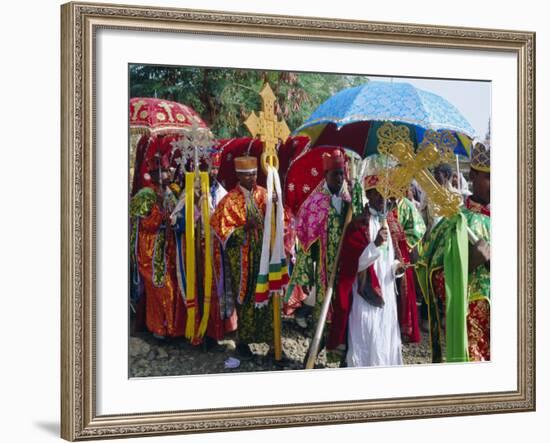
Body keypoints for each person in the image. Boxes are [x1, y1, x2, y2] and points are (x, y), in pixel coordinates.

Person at [416, 142, 491, 362]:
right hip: (471, 321)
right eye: (489, 177)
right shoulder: (455, 221)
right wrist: (469, 262)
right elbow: (435, 277)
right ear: (474, 175)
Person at [328, 168, 406, 367]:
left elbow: (394, 258)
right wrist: (375, 245)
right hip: (365, 295)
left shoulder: (392, 223)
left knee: (386, 337)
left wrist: (397, 266)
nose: (382, 199)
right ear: (368, 195)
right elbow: (351, 266)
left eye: (386, 194)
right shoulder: (357, 226)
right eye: (377, 193)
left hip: (388, 292)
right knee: (366, 335)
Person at [170, 151, 237, 348]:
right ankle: (191, 329)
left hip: (213, 249)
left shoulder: (221, 193)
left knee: (213, 290)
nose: (211, 171)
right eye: (207, 168)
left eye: (215, 168)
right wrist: (193, 208)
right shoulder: (189, 191)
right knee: (193, 286)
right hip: (191, 248)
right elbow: (176, 219)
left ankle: (212, 332)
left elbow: (226, 220)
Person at [210, 156, 272, 359]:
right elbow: (221, 230)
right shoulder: (229, 200)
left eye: (254, 174)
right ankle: (243, 343)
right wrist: (244, 228)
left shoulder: (265, 195)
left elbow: (279, 219)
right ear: (238, 175)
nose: (252, 178)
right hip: (242, 259)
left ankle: (272, 340)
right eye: (247, 175)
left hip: (264, 256)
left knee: (268, 296)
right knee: (246, 300)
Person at [286, 149, 352, 334]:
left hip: (347, 265)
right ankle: (317, 348)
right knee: (324, 309)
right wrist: (305, 274)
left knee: (346, 308)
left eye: (342, 174)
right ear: (325, 175)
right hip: (324, 267)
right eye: (335, 174)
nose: (340, 178)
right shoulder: (314, 203)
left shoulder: (351, 200)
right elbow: (306, 241)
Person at [129, 142, 186, 339]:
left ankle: (173, 327)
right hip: (151, 249)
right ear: (153, 175)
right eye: (163, 172)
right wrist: (159, 213)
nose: (167, 175)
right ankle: (159, 328)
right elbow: (144, 224)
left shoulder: (172, 191)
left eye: (169, 171)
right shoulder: (145, 195)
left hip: (169, 247)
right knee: (160, 288)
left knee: (173, 286)